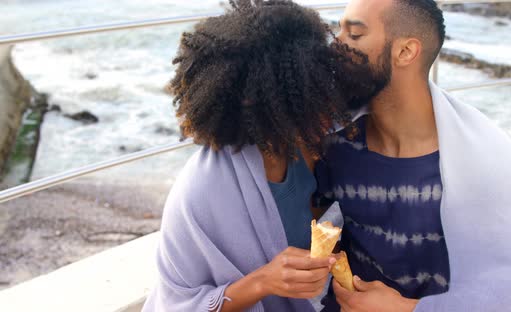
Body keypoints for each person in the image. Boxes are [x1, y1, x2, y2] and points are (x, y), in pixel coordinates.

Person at [313, 0, 511, 311]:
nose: (336, 45)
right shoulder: (333, 144)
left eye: (354, 35)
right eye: (339, 30)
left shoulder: (483, 160)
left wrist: (405, 309)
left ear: (405, 52)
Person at [141, 0, 377, 311]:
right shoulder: (203, 190)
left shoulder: (308, 141)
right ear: (261, 105)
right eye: (309, 99)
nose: (327, 108)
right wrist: (264, 281)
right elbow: (177, 305)